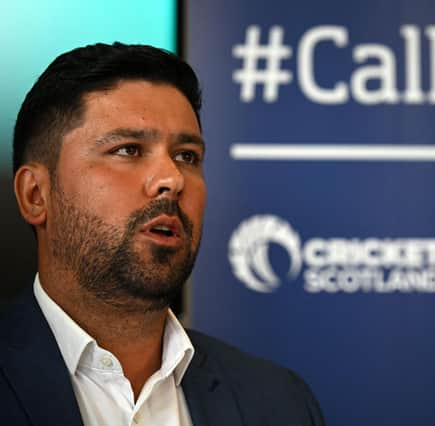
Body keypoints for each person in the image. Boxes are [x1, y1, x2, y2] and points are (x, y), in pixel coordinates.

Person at [0, 42, 324, 426]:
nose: (171, 179)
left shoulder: (277, 401)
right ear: (36, 195)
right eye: (129, 150)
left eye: (187, 156)